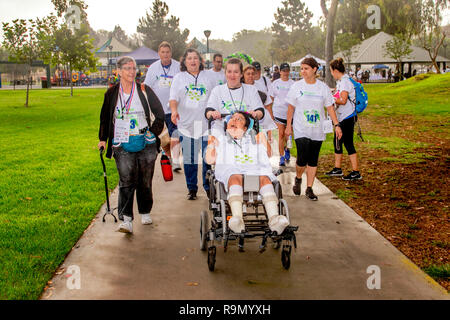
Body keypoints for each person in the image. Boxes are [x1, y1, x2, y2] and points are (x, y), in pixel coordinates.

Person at [98, 56, 165, 233]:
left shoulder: (144, 90)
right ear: (118, 71)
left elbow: (160, 114)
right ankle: (126, 219)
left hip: (145, 142)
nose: (131, 71)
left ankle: (145, 211)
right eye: (127, 68)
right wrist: (103, 139)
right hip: (122, 142)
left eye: (133, 68)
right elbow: (105, 118)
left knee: (145, 180)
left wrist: (153, 132)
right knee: (126, 180)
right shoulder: (111, 93)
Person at [205, 111, 289, 235]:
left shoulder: (253, 139)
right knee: (235, 176)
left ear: (245, 128)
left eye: (239, 119)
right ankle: (237, 218)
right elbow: (210, 160)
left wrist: (263, 139)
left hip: (254, 170)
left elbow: (268, 154)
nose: (234, 120)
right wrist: (211, 145)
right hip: (232, 171)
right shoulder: (220, 139)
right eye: (232, 118)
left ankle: (274, 218)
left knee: (264, 178)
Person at [285, 57, 342, 201]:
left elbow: (329, 107)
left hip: (317, 129)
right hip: (300, 128)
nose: (302, 71)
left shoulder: (322, 87)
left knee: (313, 159)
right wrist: (288, 126)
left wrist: (337, 125)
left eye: (306, 68)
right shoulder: (297, 87)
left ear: (315, 69)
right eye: (301, 68)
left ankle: (309, 188)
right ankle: (298, 178)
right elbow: (291, 107)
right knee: (302, 156)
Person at [169, 48, 215, 200]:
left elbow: (216, 96)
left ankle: (208, 187)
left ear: (200, 61)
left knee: (207, 159)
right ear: (184, 62)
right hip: (187, 126)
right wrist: (174, 111)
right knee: (190, 160)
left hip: (205, 126)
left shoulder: (208, 76)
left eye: (195, 58)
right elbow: (173, 98)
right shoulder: (179, 78)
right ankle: (192, 188)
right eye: (189, 58)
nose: (193, 61)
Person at [144, 41, 182, 172]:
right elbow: (147, 87)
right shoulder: (153, 68)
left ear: (171, 53)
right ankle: (169, 156)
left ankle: (176, 161)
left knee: (175, 135)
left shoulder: (178, 66)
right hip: (158, 109)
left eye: (167, 52)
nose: (165, 55)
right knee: (164, 138)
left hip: (174, 109)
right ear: (159, 53)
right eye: (163, 52)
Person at [325, 58, 362, 181]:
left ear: (336, 70)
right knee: (338, 142)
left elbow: (343, 100)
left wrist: (331, 99)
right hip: (343, 116)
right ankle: (338, 168)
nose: (331, 73)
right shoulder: (341, 81)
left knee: (347, 143)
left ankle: (355, 172)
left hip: (347, 117)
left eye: (331, 71)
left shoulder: (345, 82)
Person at [205, 58, 265, 129]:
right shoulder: (217, 90)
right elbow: (208, 112)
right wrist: (212, 113)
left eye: (236, 72)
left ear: (241, 74)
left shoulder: (251, 90)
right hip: (222, 133)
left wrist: (256, 114)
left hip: (246, 132)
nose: (232, 75)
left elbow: (260, 111)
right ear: (225, 73)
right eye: (229, 72)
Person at [242, 64, 277, 142]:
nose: (251, 76)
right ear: (243, 75)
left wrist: (271, 124)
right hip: (244, 123)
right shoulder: (239, 87)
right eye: (248, 74)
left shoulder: (261, 86)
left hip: (261, 122)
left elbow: (268, 106)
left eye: (252, 73)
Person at [271, 63, 295, 167]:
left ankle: (287, 149)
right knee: (281, 134)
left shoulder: (293, 84)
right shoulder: (275, 83)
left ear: (289, 72)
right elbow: (271, 98)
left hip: (290, 113)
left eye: (287, 70)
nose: (285, 72)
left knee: (288, 135)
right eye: (283, 70)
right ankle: (281, 156)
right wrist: (270, 113)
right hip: (278, 111)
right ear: (280, 72)